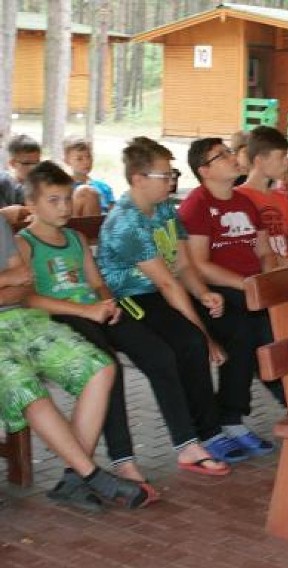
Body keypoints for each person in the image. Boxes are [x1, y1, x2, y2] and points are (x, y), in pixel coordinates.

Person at [18, 159, 228, 483]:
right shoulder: (25, 244)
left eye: (67, 198)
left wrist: (106, 302)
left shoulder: (74, 239)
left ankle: (187, 443)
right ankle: (122, 458)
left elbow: (97, 281)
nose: (64, 207)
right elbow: (27, 296)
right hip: (61, 318)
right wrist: (86, 311)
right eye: (53, 200)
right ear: (31, 203)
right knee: (107, 366)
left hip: (99, 311)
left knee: (160, 355)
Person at [96, 136, 244, 468]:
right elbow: (166, 282)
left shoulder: (164, 208)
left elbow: (182, 265)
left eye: (172, 173)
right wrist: (207, 337)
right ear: (138, 180)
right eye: (165, 175)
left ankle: (209, 432)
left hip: (158, 293)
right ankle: (188, 441)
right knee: (174, 350)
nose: (172, 180)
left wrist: (203, 293)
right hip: (128, 299)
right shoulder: (126, 222)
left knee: (195, 340)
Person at [0, 215, 155, 512]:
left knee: (101, 367)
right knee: (24, 387)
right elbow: (14, 278)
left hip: (21, 319)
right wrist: (7, 278)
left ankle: (74, 479)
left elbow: (24, 286)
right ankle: (92, 475)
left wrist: (12, 282)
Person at [181, 136, 284, 458]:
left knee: (280, 329)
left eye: (229, 151)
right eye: (221, 155)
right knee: (244, 331)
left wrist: (264, 279)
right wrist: (248, 286)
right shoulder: (196, 205)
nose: (230, 157)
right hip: (216, 292)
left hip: (251, 286)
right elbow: (199, 265)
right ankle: (231, 419)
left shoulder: (244, 202)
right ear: (204, 170)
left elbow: (264, 250)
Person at [236, 125, 288, 265]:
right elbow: (252, 252)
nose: (287, 162)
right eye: (282, 156)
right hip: (273, 273)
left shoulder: (282, 197)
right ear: (259, 161)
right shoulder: (239, 198)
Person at [63, 136, 115, 216]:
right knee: (86, 192)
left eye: (89, 157)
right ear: (67, 161)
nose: (86, 162)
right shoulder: (63, 187)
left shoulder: (103, 186)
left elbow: (114, 213)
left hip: (104, 224)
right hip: (78, 225)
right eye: (79, 159)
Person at [0, 134, 40, 224]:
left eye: (36, 163)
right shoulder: (3, 183)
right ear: (12, 163)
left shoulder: (41, 184)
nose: (33, 168)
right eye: (27, 163)